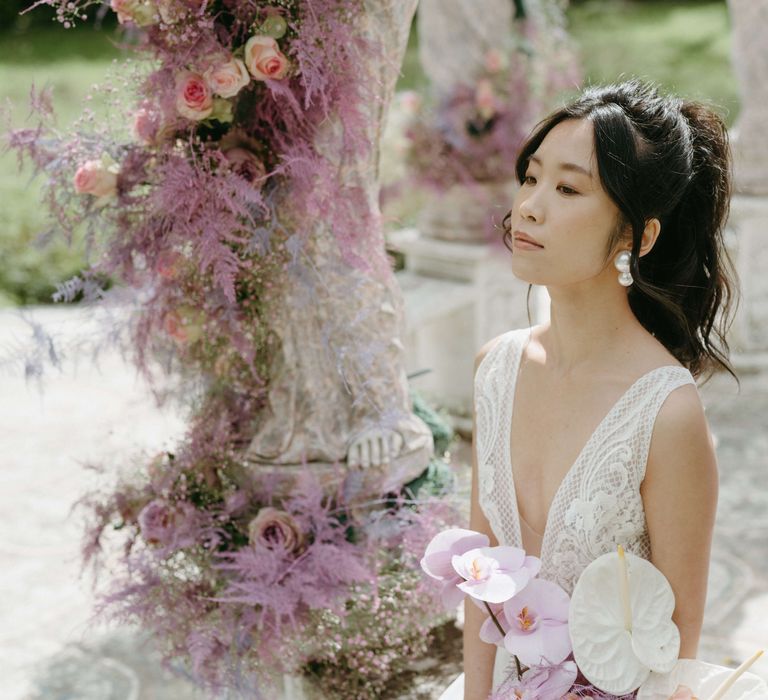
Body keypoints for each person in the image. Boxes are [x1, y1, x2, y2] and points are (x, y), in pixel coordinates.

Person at [443, 78, 739, 699]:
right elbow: (483, 584)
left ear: (636, 236)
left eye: (568, 187)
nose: (529, 206)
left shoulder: (666, 412)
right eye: (531, 178)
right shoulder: (495, 369)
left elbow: (676, 649)